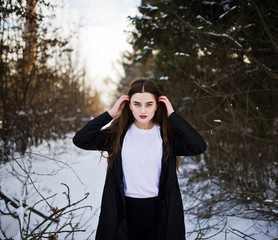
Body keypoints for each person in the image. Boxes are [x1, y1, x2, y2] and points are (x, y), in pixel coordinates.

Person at [72, 79, 206, 240]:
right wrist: (110, 114)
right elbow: (80, 140)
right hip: (124, 211)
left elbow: (199, 146)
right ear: (129, 105)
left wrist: (173, 116)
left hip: (159, 211)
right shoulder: (117, 135)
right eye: (137, 104)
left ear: (157, 105)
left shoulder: (167, 136)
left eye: (149, 104)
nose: (143, 110)